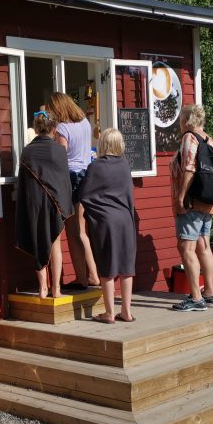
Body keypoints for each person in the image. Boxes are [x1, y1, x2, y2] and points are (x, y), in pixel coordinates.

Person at [79, 128, 136, 323]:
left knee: (107, 267)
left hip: (106, 221)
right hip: (125, 220)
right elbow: (129, 195)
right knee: (127, 266)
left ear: (103, 144)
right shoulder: (125, 165)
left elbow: (85, 195)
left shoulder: (95, 167)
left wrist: (93, 214)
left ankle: (110, 313)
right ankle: (126, 312)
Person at [15, 111, 73, 299]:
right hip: (55, 205)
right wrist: (64, 206)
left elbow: (23, 183)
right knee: (55, 243)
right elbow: (64, 181)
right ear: (54, 129)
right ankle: (56, 289)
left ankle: (42, 289)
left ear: (37, 128)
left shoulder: (27, 151)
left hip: (33, 203)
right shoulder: (59, 151)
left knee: (38, 242)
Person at [169, 104, 213, 312]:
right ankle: (209, 292)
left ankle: (196, 297)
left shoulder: (189, 138)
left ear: (187, 121)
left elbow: (189, 169)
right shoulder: (210, 140)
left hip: (192, 202)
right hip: (208, 201)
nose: (179, 123)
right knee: (204, 246)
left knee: (186, 247)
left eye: (181, 119)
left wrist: (181, 198)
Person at [48, 91, 99, 289]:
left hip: (70, 178)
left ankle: (83, 278)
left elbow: (60, 158)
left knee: (73, 231)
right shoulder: (85, 123)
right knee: (81, 230)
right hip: (86, 176)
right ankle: (92, 275)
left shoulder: (62, 128)